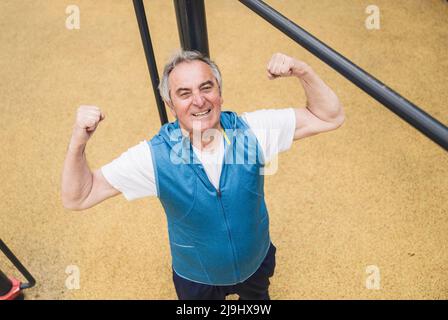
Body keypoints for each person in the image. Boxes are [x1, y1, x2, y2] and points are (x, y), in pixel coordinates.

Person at [61, 50, 345, 300]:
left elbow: (329, 116)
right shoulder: (153, 157)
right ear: (170, 104)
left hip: (255, 263)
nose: (198, 100)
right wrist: (78, 141)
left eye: (206, 87)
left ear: (220, 93)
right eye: (184, 93)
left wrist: (302, 71)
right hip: (197, 279)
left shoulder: (253, 131)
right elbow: (79, 196)